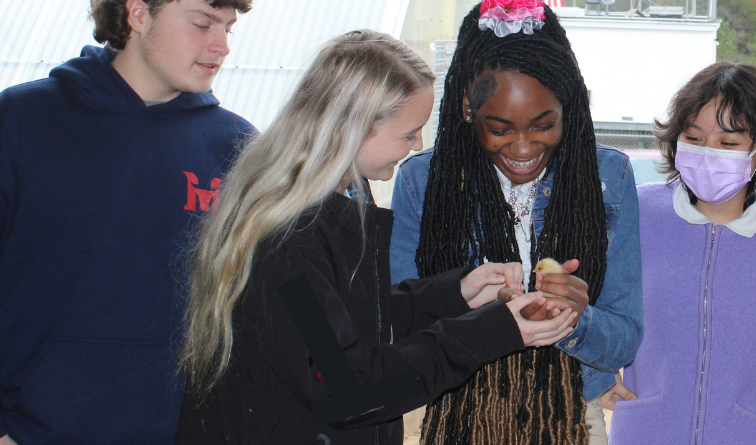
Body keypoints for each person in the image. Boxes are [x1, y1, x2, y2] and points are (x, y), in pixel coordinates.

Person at [176, 30, 576, 444]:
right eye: (408, 133)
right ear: (352, 127)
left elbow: (345, 321)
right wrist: (488, 333)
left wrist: (454, 297)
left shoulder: (337, 203)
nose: (418, 144)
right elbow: (349, 393)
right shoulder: (288, 240)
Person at [0, 0, 253, 445]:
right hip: (30, 430)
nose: (221, 45)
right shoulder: (23, 120)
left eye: (228, 28)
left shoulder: (238, 147)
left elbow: (262, 302)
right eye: (203, 23)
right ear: (138, 15)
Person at [390, 0, 643, 445]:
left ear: (570, 107)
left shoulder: (609, 177)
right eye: (500, 129)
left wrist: (573, 317)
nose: (524, 148)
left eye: (543, 125)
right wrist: (481, 314)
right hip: (462, 418)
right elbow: (399, 331)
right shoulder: (421, 182)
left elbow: (623, 340)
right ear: (468, 109)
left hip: (572, 419)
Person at [606, 62, 756, 445]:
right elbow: (575, 299)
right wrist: (592, 371)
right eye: (694, 137)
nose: (708, 154)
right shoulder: (634, 216)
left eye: (728, 143)